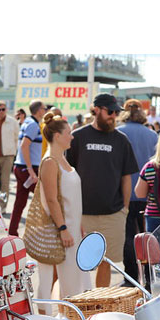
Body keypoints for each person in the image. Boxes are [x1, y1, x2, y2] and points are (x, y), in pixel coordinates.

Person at [66, 93, 138, 288]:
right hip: (81, 214)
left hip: (113, 214)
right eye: (110, 111)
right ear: (96, 110)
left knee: (105, 263)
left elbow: (126, 176)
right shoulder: (78, 137)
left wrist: (124, 209)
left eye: (116, 112)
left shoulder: (121, 140)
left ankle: (100, 306)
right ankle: (76, 305)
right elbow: (66, 173)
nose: (114, 115)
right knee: (77, 264)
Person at [33, 113, 91, 303]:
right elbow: (51, 200)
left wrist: (78, 225)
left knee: (75, 281)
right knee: (56, 280)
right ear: (57, 136)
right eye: (68, 133)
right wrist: (63, 228)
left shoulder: (63, 159)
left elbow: (70, 198)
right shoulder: (50, 162)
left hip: (72, 230)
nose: (72, 136)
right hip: (60, 231)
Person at [117, 99, 158, 282]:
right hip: (147, 192)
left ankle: (131, 277)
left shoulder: (118, 133)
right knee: (147, 236)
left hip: (124, 193)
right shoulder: (151, 135)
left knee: (128, 237)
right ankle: (150, 274)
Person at [8, 100, 46, 236]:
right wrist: (30, 170)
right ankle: (41, 234)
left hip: (22, 167)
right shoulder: (33, 125)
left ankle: (12, 232)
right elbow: (24, 145)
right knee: (45, 200)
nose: (46, 110)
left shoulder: (28, 122)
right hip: (27, 169)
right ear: (39, 110)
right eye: (44, 108)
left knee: (20, 202)